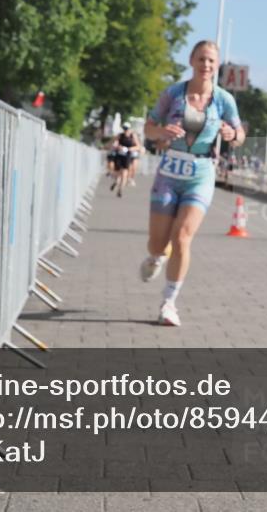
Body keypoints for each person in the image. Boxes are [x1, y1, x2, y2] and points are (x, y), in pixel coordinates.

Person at [139, 40, 245, 326]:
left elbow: (240, 134)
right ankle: (156, 257)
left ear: (217, 65)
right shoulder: (173, 93)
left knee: (182, 237)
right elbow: (148, 128)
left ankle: (169, 303)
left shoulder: (223, 100)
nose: (206, 65)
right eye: (201, 59)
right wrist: (162, 131)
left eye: (211, 60)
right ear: (191, 60)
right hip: (169, 172)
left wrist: (232, 135)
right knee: (157, 243)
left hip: (201, 173)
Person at [109, 122, 140, 198]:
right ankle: (116, 182)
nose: (125, 130)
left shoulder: (133, 136)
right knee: (117, 172)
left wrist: (128, 149)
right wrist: (118, 147)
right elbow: (114, 144)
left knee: (125, 173)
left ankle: (120, 189)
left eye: (126, 128)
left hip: (127, 157)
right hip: (119, 156)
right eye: (124, 128)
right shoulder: (120, 135)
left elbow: (138, 146)